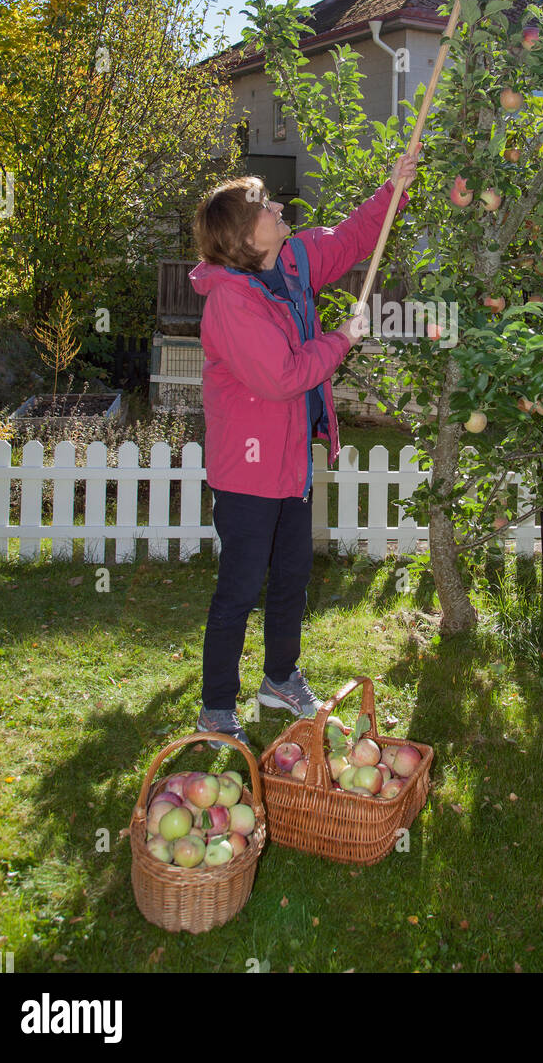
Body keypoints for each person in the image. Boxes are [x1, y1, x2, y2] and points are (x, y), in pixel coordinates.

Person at [187, 147, 420, 747]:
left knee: (292, 574)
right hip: (247, 472)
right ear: (243, 235)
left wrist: (391, 188)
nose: (278, 208)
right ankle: (216, 707)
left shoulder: (290, 261)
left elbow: (348, 240)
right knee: (239, 589)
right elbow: (283, 376)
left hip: (289, 461)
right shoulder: (231, 304)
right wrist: (343, 340)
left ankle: (279, 678)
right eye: (265, 206)